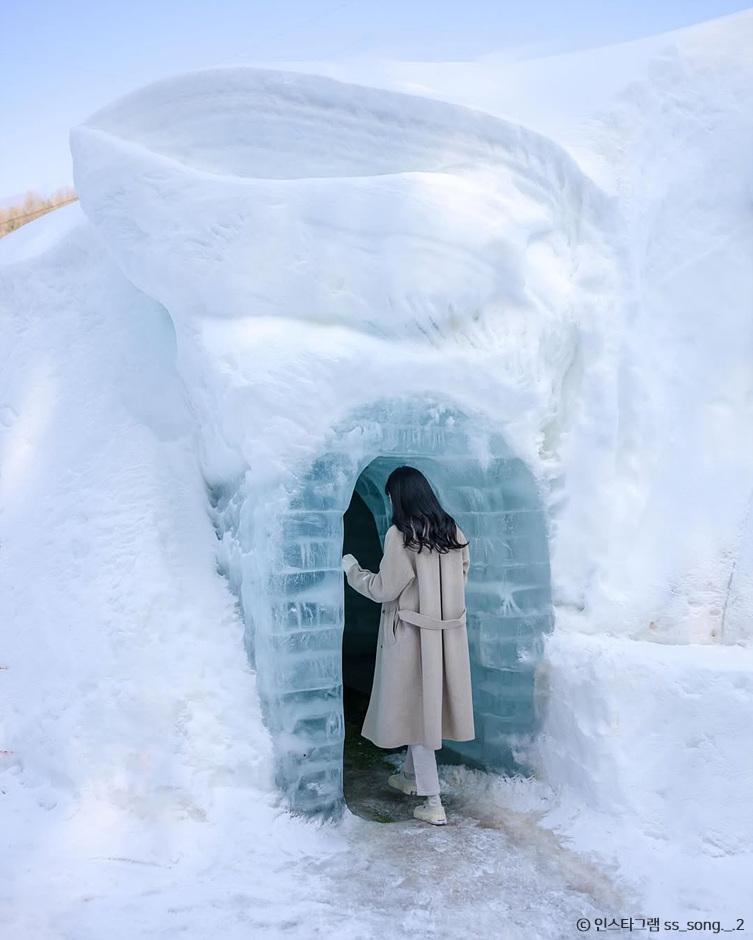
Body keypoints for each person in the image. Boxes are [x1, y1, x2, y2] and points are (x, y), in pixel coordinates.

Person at [341, 465, 475, 826]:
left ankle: (433, 802)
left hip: (413, 638)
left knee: (417, 716)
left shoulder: (401, 536)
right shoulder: (453, 531)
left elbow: (385, 588)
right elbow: (462, 575)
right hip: (446, 637)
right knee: (427, 707)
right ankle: (409, 777)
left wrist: (353, 569)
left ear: (398, 497)